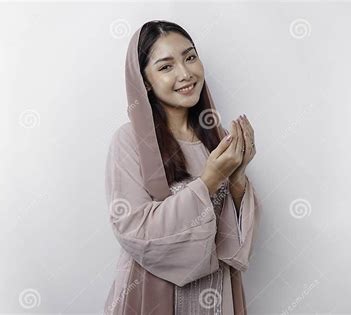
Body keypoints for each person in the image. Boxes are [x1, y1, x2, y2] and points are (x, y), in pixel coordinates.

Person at [104, 20, 260, 315]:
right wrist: (209, 181)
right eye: (166, 67)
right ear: (145, 81)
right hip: (155, 295)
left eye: (190, 57)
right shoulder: (130, 141)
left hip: (216, 296)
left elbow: (235, 247)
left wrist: (237, 178)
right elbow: (134, 229)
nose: (186, 73)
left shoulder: (217, 140)